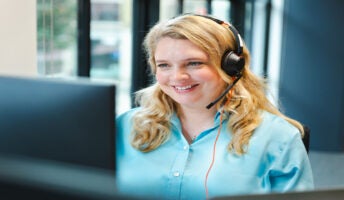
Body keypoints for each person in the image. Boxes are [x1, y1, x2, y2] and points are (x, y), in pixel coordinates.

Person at [116, 13, 314, 200]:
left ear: (231, 67)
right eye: (164, 65)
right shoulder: (125, 126)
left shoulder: (277, 137)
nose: (177, 77)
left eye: (194, 63)